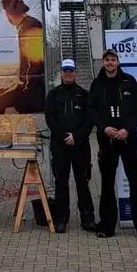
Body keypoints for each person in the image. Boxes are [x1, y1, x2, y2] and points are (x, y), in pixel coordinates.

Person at [88, 49, 137, 240]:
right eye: (107, 60)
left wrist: (128, 128)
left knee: (136, 182)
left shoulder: (129, 81)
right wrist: (103, 128)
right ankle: (106, 226)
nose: (110, 63)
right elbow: (91, 110)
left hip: (128, 138)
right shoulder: (97, 84)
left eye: (113, 60)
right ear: (103, 62)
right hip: (107, 139)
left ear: (118, 62)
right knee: (107, 184)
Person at [44, 58, 95, 233]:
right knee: (61, 183)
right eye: (65, 71)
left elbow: (90, 120)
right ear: (61, 73)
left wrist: (77, 136)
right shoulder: (53, 94)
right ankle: (61, 219)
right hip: (60, 146)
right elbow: (50, 118)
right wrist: (64, 136)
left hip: (80, 145)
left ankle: (87, 218)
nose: (68, 73)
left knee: (83, 182)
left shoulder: (84, 94)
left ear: (75, 73)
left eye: (70, 71)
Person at [0, 0, 45, 115]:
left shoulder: (30, 27)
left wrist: (25, 90)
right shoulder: (26, 25)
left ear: (6, 12)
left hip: (31, 92)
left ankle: (0, 133)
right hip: (28, 88)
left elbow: (35, 64)